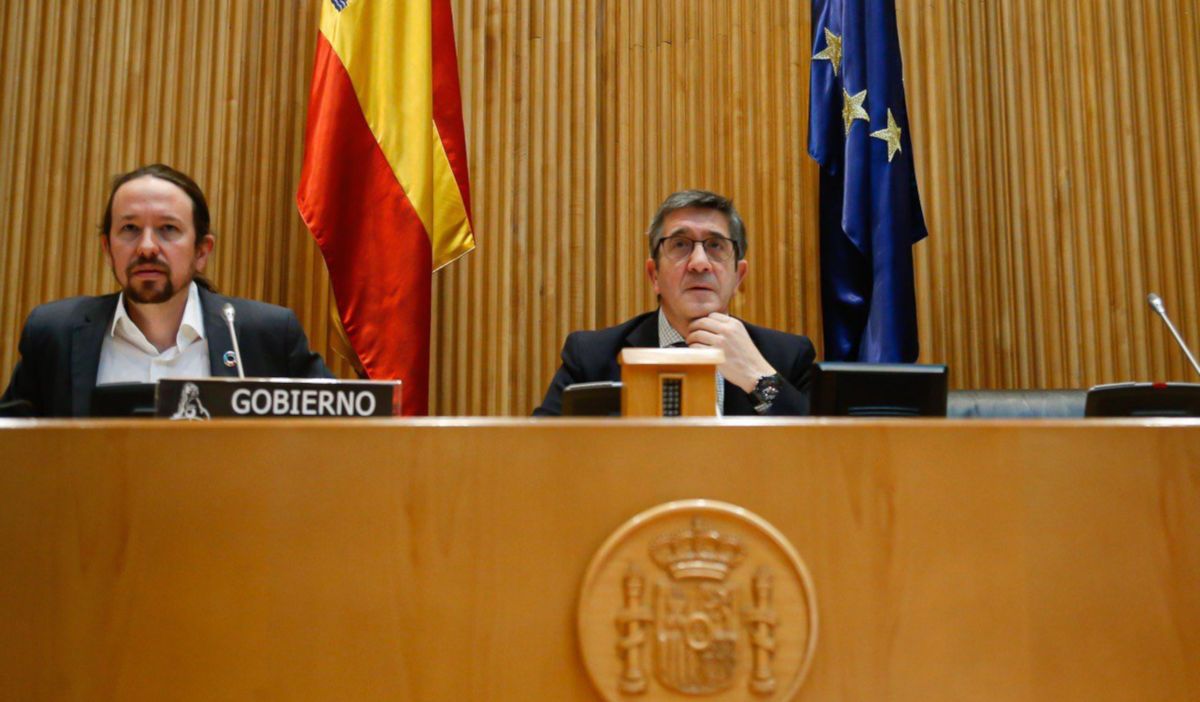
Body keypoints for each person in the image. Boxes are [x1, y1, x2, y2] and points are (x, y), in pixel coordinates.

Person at [0, 163, 332, 417]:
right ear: (107, 248)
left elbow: (339, 430)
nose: (146, 247)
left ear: (201, 251)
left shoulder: (264, 335)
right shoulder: (55, 335)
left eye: (168, 229)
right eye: (130, 228)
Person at [534, 189, 815, 416]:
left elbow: (822, 452)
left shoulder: (787, 357)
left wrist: (758, 379)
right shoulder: (591, 357)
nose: (699, 263)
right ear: (654, 274)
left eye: (716, 246)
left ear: (738, 276)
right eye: (680, 244)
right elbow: (541, 452)